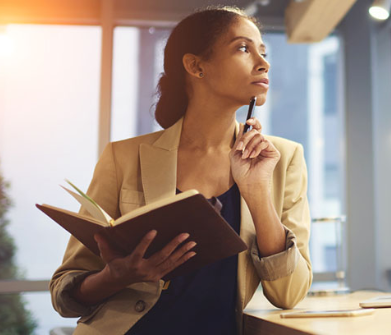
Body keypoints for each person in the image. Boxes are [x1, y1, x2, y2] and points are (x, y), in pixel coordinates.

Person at [49, 6, 312, 335]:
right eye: (243, 48)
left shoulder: (282, 159)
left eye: (263, 51)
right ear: (196, 66)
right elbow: (64, 293)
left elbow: (289, 294)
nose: (264, 63)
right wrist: (116, 277)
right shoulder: (123, 157)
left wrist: (256, 192)